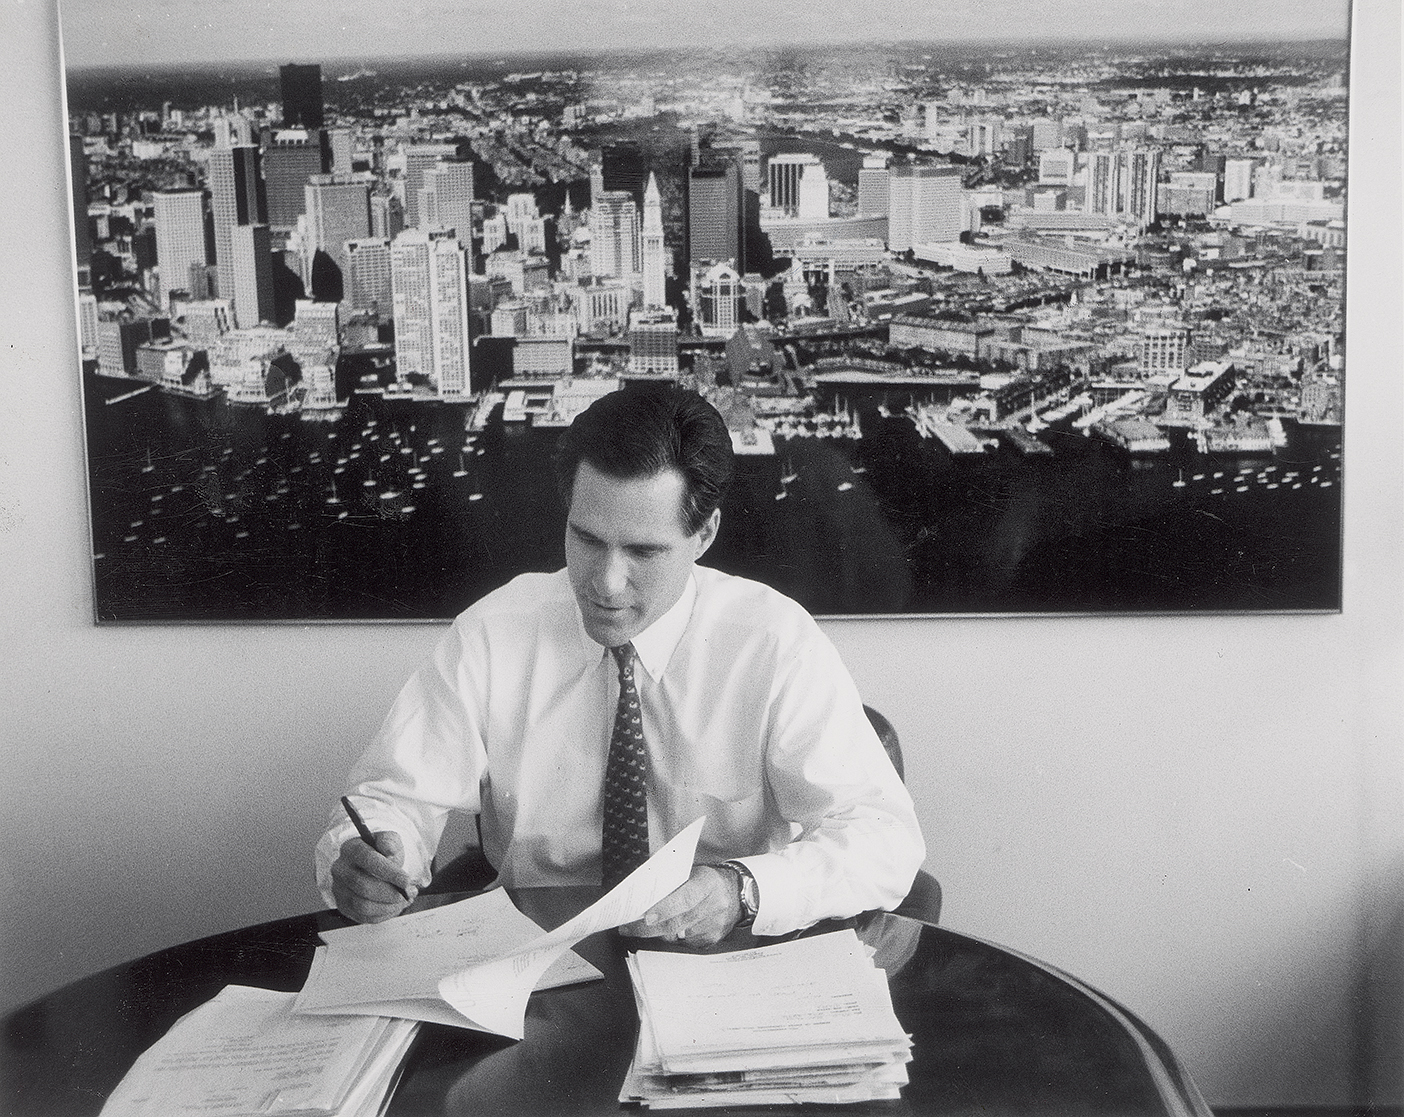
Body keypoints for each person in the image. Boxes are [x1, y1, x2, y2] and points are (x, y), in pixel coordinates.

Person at [316, 387, 925, 947]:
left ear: (705, 533)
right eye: (586, 540)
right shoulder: (494, 633)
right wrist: (365, 855)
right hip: (534, 965)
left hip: (726, 962)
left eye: (644, 551)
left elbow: (884, 842)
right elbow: (387, 802)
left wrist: (741, 890)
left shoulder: (773, 642)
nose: (606, 583)